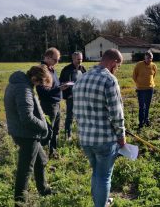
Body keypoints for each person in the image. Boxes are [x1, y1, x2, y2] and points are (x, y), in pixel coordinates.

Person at [73, 48, 126, 207]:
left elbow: (76, 110)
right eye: (117, 66)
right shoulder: (109, 80)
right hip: (104, 140)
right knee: (104, 176)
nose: (116, 70)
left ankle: (100, 201)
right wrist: (121, 136)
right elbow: (117, 114)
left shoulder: (82, 78)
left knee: (97, 173)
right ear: (113, 62)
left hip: (86, 138)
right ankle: (101, 204)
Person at [4, 65, 54, 206]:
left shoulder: (19, 83)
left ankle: (43, 189)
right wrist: (43, 126)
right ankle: (19, 201)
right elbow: (27, 117)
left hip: (22, 131)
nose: (40, 86)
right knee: (25, 169)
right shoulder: (23, 89)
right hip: (26, 134)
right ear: (34, 78)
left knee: (41, 160)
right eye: (40, 83)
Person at [36, 47, 69, 158]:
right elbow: (42, 91)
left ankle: (52, 151)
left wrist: (61, 85)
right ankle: (42, 154)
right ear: (47, 57)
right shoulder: (42, 70)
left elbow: (54, 85)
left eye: (58, 60)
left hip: (56, 104)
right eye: (55, 60)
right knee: (48, 131)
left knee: (55, 130)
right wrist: (59, 89)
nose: (57, 62)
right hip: (48, 105)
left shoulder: (51, 69)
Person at [59, 51, 86, 141]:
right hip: (71, 97)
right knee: (70, 116)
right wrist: (68, 95)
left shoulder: (83, 69)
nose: (80, 61)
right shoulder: (67, 69)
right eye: (78, 59)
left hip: (81, 97)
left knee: (82, 116)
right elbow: (62, 83)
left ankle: (82, 134)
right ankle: (68, 135)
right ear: (73, 59)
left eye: (81, 59)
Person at [132, 51, 157, 129]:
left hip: (150, 88)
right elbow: (134, 76)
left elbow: (154, 75)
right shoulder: (139, 65)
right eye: (148, 58)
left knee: (148, 106)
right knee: (142, 106)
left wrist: (150, 84)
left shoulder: (153, 66)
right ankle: (141, 123)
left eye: (151, 58)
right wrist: (139, 84)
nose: (149, 60)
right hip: (141, 89)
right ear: (145, 58)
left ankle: (146, 120)